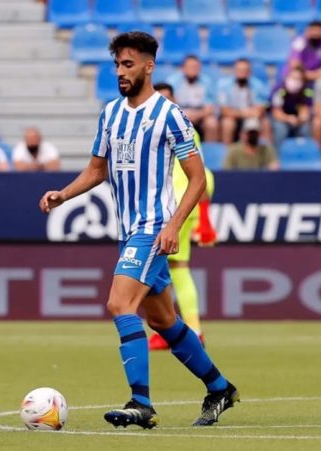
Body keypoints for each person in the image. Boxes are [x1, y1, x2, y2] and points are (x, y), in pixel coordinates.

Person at [39, 31, 238, 429]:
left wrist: (173, 225)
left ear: (149, 66)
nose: (120, 72)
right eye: (116, 65)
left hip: (151, 228)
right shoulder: (110, 114)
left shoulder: (170, 115)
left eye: (128, 64)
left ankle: (141, 402)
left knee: (118, 304)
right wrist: (65, 194)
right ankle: (219, 388)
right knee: (164, 321)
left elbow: (196, 179)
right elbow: (97, 170)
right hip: (128, 231)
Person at [148, 82, 218, 349]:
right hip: (181, 206)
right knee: (177, 269)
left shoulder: (162, 127)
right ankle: (192, 330)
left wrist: (205, 216)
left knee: (154, 272)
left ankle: (170, 329)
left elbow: (199, 174)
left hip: (170, 208)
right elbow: (202, 172)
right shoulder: (184, 127)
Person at [217, 58, 270, 145]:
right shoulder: (223, 85)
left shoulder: (258, 85)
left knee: (265, 123)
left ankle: (267, 154)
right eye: (239, 70)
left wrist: (255, 112)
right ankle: (227, 155)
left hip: (251, 116)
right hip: (232, 116)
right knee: (228, 123)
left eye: (245, 70)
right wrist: (242, 113)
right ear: (234, 71)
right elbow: (224, 110)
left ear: (250, 72)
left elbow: (261, 107)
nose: (242, 73)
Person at [166, 55, 219, 142]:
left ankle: (211, 152)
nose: (193, 69)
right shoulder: (173, 81)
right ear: (183, 68)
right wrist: (184, 114)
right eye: (190, 67)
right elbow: (169, 104)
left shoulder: (207, 82)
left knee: (211, 123)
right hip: (180, 113)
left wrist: (197, 115)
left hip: (201, 114)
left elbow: (210, 108)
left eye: (196, 67)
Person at [271, 67, 313, 150]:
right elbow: (276, 112)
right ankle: (278, 155)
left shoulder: (307, 90)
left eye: (298, 79)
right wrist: (288, 118)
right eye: (293, 78)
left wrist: (301, 118)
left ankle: (306, 154)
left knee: (306, 128)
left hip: (298, 119)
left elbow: (305, 109)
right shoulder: (279, 89)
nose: (295, 81)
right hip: (282, 118)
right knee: (281, 129)